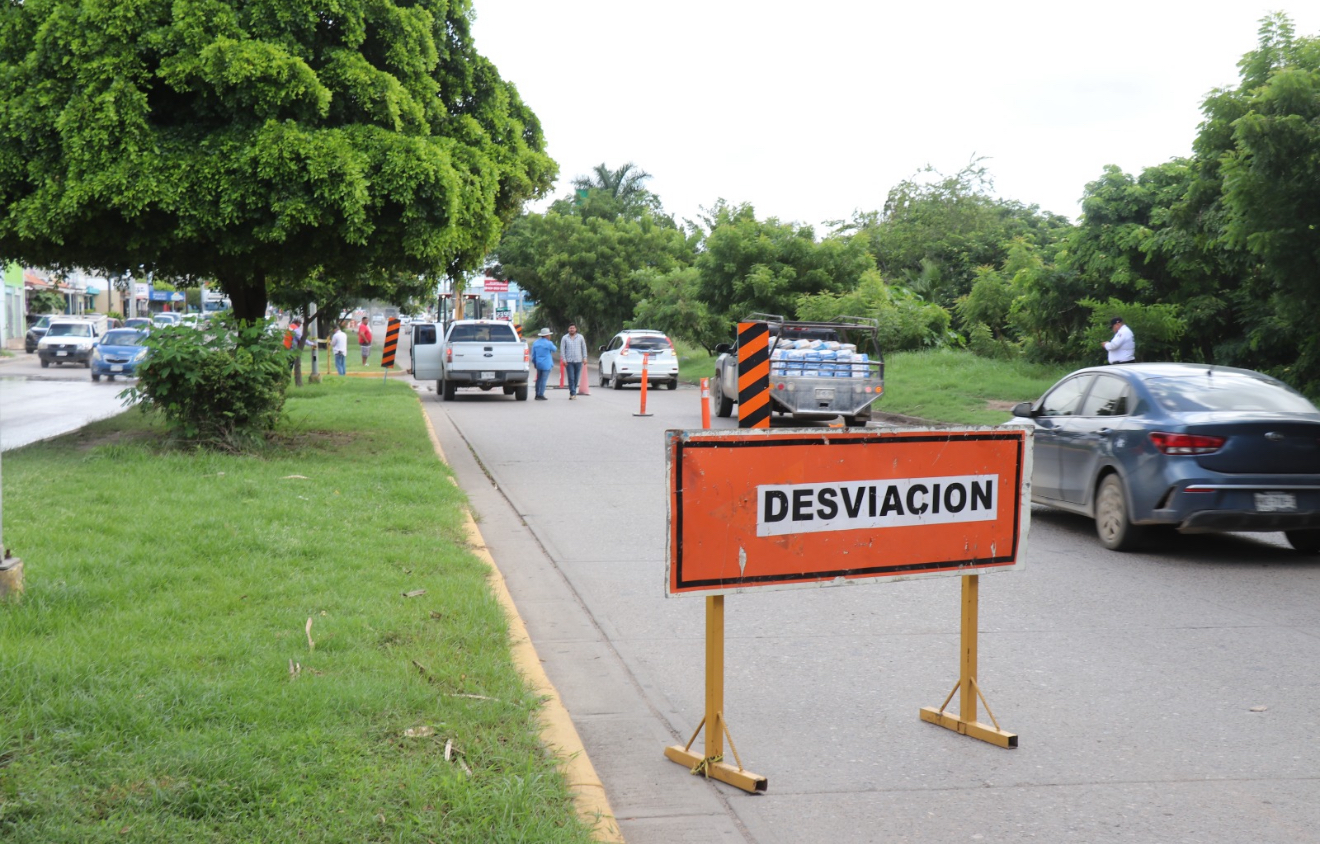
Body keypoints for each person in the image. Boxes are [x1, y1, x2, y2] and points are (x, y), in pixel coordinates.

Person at [559, 323, 588, 399]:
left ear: (576, 329)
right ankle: (573, 393)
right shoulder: (565, 338)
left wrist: (585, 357)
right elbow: (562, 349)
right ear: (568, 329)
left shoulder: (580, 337)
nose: (572, 329)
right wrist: (564, 359)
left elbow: (584, 348)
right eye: (570, 328)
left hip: (578, 360)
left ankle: (573, 391)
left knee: (576, 378)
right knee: (571, 377)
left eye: (573, 328)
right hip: (569, 361)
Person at [531, 327, 556, 400]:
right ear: (547, 335)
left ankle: (537, 394)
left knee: (538, 379)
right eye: (549, 335)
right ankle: (541, 394)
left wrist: (534, 362)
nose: (550, 336)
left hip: (539, 363)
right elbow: (554, 349)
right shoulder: (549, 343)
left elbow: (533, 355)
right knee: (544, 380)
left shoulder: (536, 343)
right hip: (547, 364)